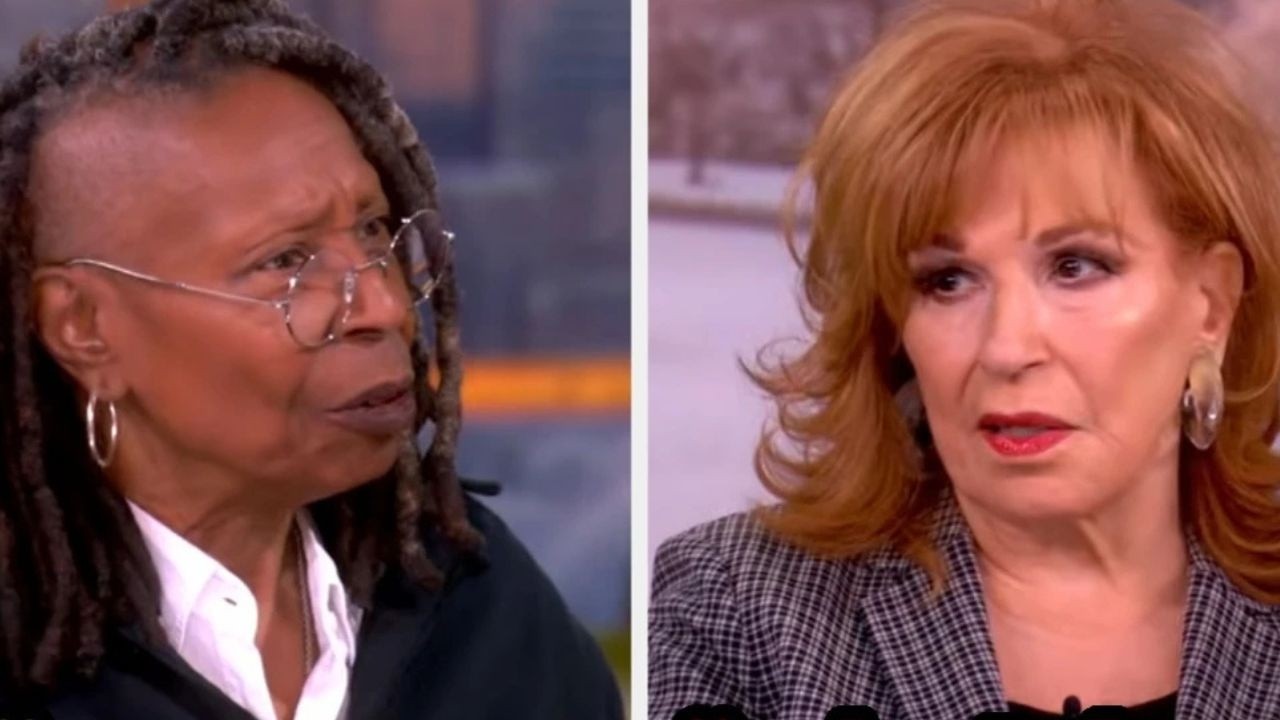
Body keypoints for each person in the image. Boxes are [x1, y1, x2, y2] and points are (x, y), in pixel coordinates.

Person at [649, 0, 1280, 718]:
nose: (1007, 348)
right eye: (947, 280)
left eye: (1076, 266)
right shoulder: (732, 615)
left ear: (1210, 303)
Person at [0, 1, 623, 718]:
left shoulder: (477, 602)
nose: (384, 305)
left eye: (374, 230)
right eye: (286, 261)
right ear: (84, 327)